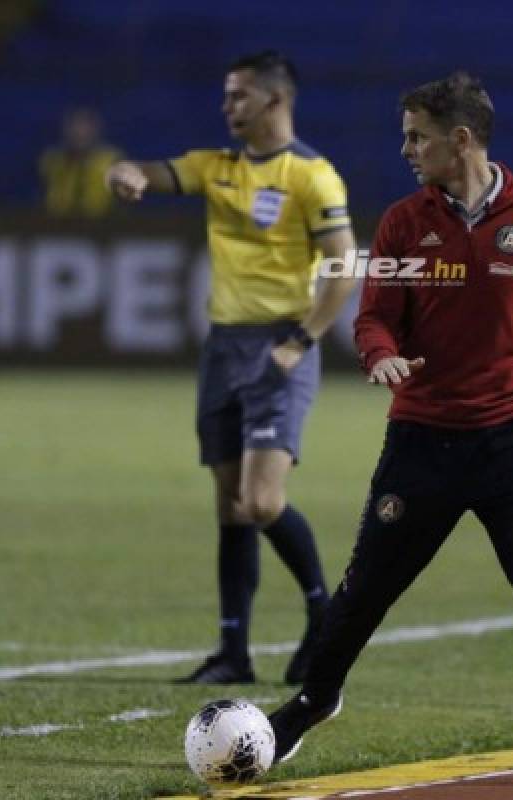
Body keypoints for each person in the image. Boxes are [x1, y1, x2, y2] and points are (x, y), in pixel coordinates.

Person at [266, 71, 513, 787]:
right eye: (405, 136)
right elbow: (374, 314)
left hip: (508, 443)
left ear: (462, 140)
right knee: (363, 593)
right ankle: (314, 700)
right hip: (420, 442)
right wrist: (381, 355)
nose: (407, 149)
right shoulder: (402, 223)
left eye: (418, 136)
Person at [106, 51, 357, 685]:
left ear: (275, 101)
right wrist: (124, 173)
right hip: (224, 348)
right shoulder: (215, 168)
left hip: (281, 347)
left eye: (238, 96)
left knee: (263, 501)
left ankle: (326, 616)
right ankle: (233, 653)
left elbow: (344, 265)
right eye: (226, 96)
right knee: (230, 506)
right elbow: (150, 171)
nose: (227, 108)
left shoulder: (312, 176)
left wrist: (302, 339)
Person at [38, 107, 122, 218]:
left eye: (85, 127)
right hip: (56, 222)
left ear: (95, 130)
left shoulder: (111, 161)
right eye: (75, 127)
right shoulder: (52, 160)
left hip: (101, 222)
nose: (79, 132)